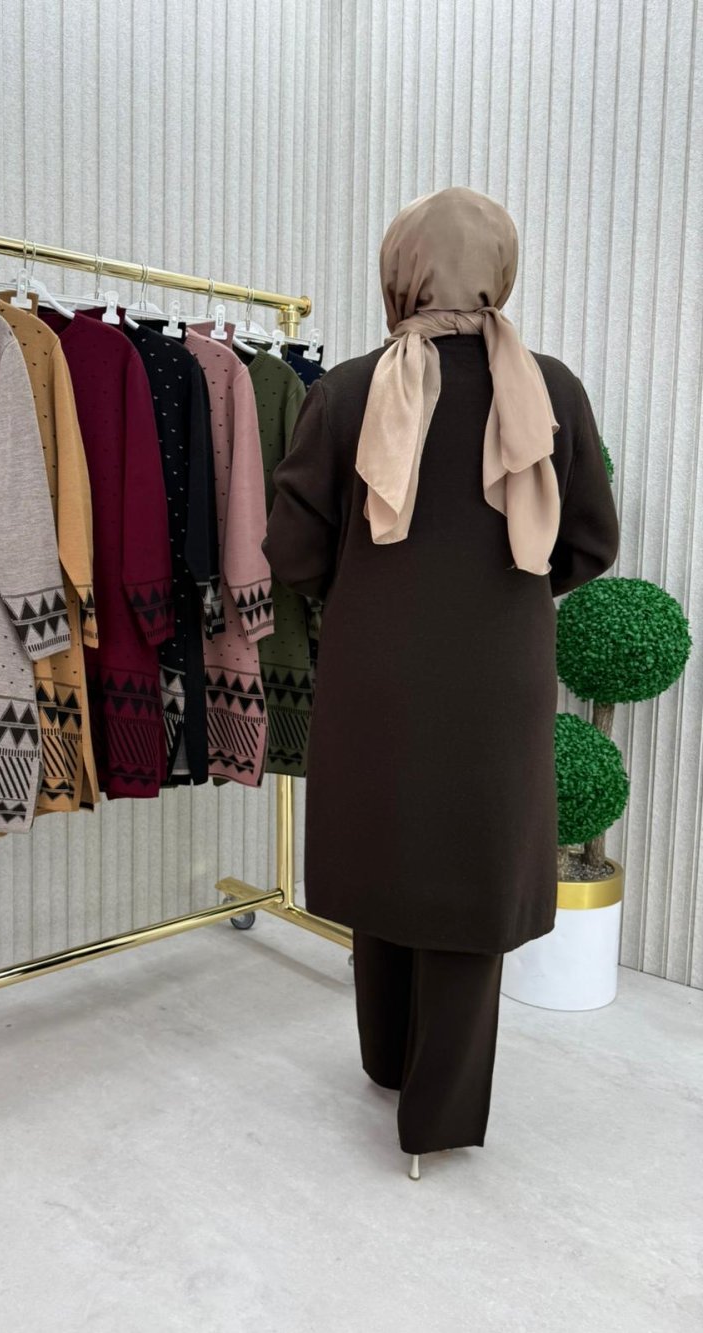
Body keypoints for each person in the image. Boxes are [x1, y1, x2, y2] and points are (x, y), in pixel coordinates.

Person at [263, 187, 619, 1177]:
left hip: (374, 672)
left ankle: (385, 1062)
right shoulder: (550, 390)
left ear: (400, 271)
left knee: (388, 851)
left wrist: (372, 590)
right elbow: (589, 541)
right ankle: (437, 1117)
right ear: (500, 270)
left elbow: (292, 552)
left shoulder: (344, 391)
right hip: (497, 677)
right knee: (466, 875)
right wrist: (505, 589)